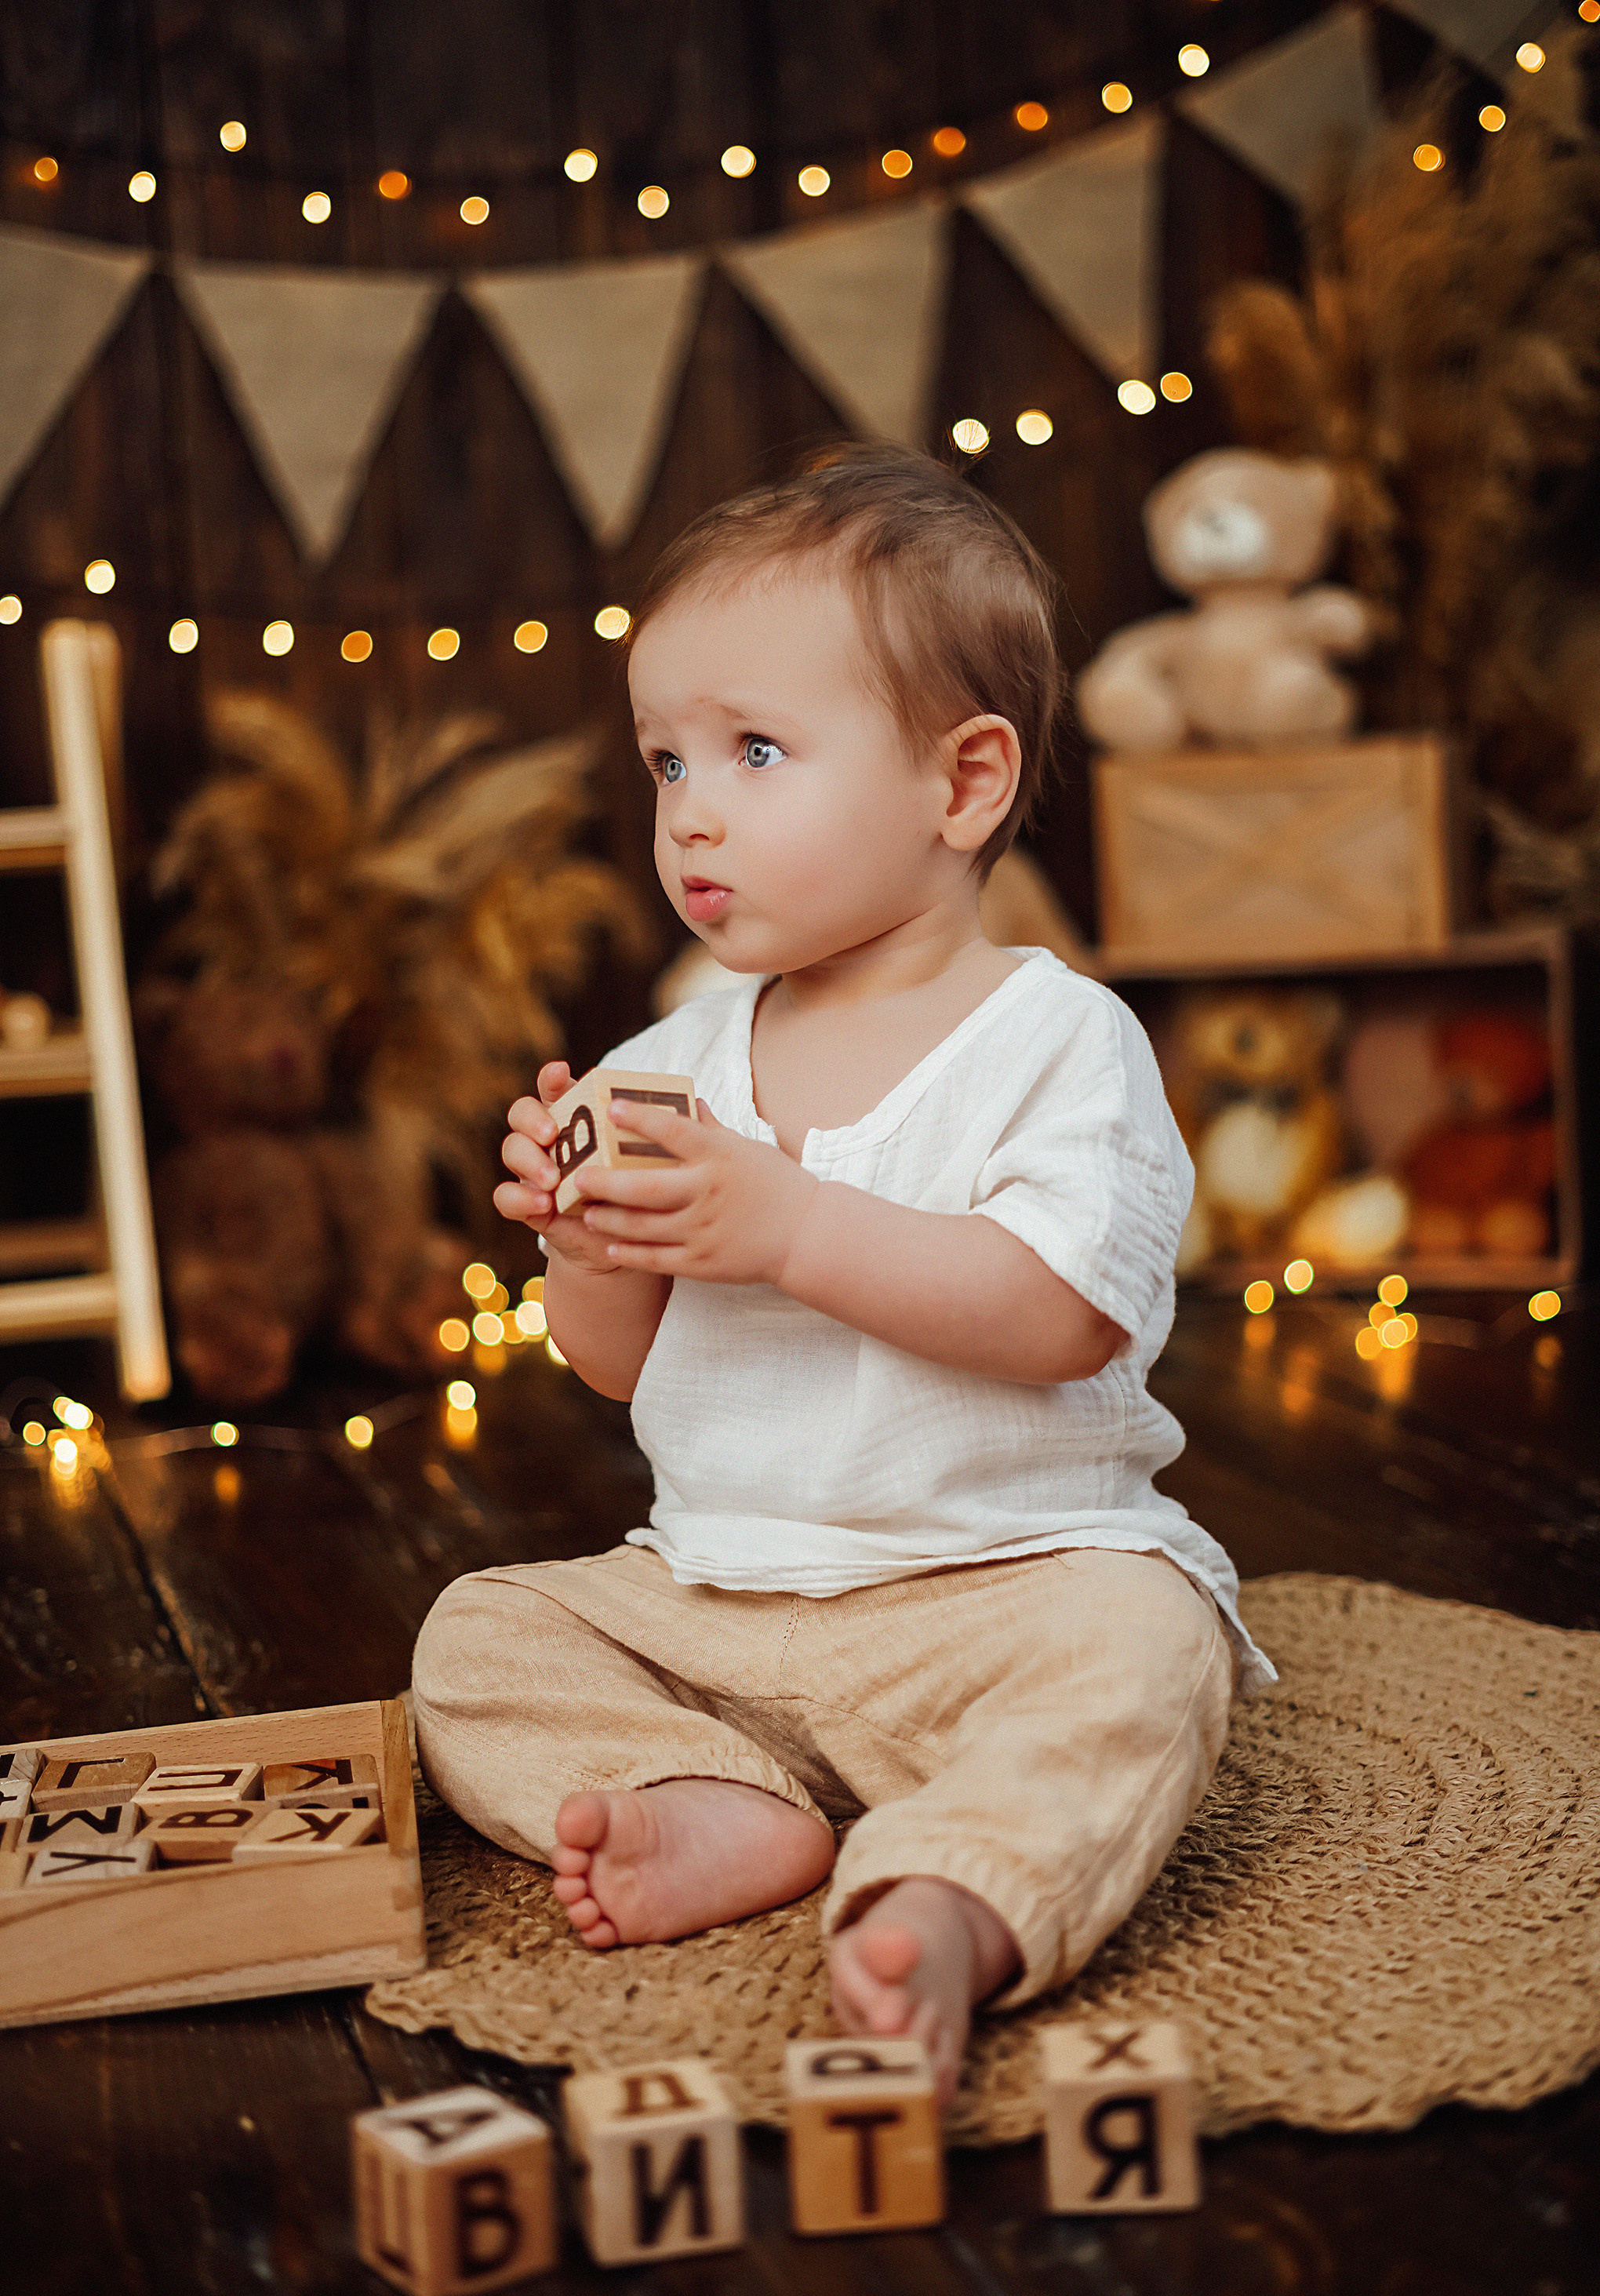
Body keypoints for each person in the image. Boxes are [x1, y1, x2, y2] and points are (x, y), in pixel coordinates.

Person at [412, 446, 1275, 2104]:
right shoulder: (665, 1062)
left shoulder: (1055, 1040)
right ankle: (718, 1793)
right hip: (719, 1601)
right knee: (480, 1633)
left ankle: (954, 1897)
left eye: (753, 750)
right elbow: (609, 1364)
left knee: (1147, 1655)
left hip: (1003, 1592)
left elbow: (1060, 1316)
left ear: (959, 788)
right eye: (665, 760)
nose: (693, 811)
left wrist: (789, 1226)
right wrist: (582, 1243)